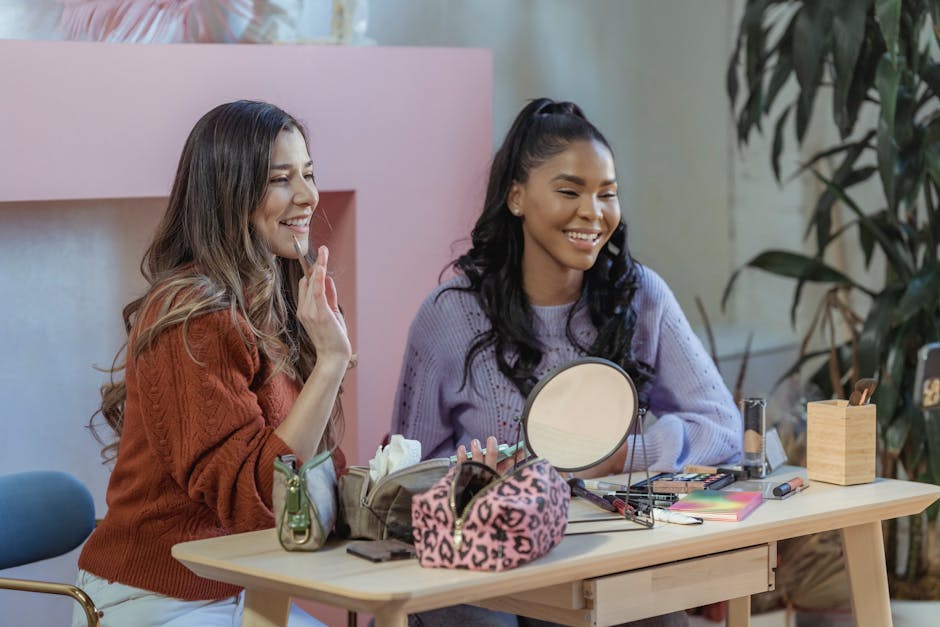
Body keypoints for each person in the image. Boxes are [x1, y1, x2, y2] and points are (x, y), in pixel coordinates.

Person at [391, 98, 742, 627]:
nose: (593, 212)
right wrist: (477, 481)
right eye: (569, 191)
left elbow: (723, 425)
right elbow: (403, 474)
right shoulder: (450, 315)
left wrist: (625, 456)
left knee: (660, 617)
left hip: (601, 558)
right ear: (516, 197)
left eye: (608, 194)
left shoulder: (640, 298)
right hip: (488, 565)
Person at [74, 100, 352, 627]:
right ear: (230, 192)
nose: (309, 196)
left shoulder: (279, 300)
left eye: (309, 174)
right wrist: (332, 361)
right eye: (280, 179)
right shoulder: (191, 314)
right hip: (152, 596)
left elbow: (311, 475)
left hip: (245, 590)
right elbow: (259, 501)